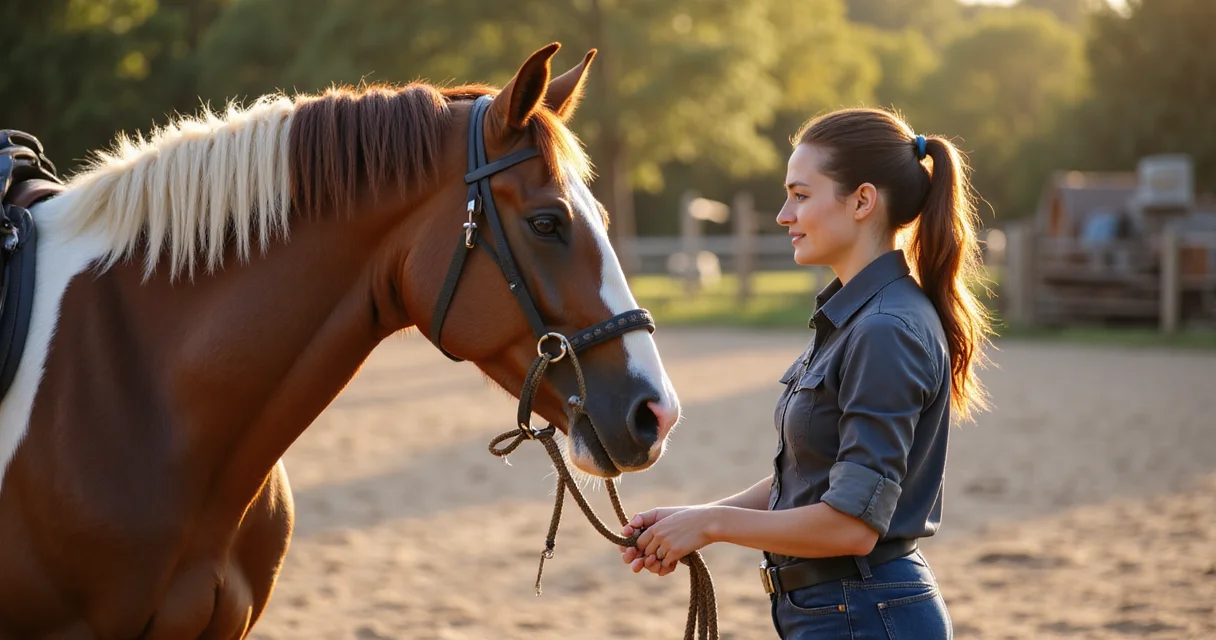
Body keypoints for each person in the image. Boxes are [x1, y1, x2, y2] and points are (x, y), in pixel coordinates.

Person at [619, 108, 993, 639]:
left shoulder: (885, 329)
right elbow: (814, 477)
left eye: (800, 194)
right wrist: (697, 517)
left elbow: (852, 524)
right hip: (844, 612)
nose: (783, 214)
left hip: (862, 616)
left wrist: (711, 525)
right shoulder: (862, 317)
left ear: (862, 201)